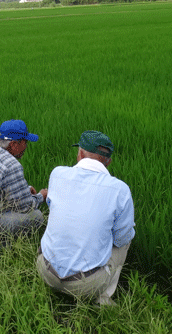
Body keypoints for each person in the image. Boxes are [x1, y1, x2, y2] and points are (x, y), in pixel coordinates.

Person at [36, 130, 135, 306]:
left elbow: (53, 207)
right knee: (127, 235)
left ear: (80, 154)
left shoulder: (57, 173)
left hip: (45, 272)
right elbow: (121, 239)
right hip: (86, 286)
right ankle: (102, 299)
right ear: (108, 162)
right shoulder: (120, 189)